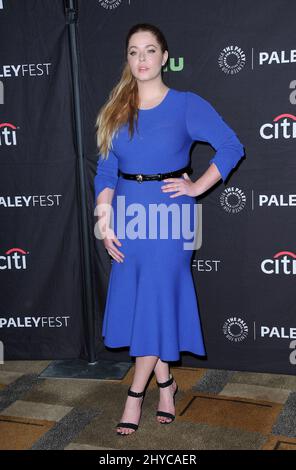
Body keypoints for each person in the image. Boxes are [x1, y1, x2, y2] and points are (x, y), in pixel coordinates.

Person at [94, 23, 245, 436]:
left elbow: (231, 146)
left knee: (156, 298)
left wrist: (197, 185)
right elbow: (106, 170)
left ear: (164, 57)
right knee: (148, 304)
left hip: (169, 214)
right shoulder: (116, 108)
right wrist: (104, 222)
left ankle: (135, 393)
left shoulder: (186, 105)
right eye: (133, 52)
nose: (141, 59)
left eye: (149, 51)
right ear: (128, 59)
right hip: (128, 214)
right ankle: (167, 384)